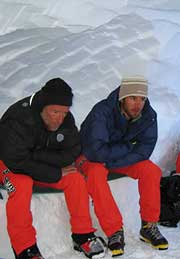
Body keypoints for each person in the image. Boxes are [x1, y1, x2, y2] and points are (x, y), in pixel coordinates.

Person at [0, 78, 106, 259]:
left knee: (75, 179)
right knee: (22, 185)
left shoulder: (65, 119)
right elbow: (16, 161)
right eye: (55, 111)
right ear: (43, 106)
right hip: (8, 164)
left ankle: (83, 235)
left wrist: (40, 157)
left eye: (64, 112)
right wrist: (55, 171)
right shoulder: (17, 118)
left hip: (39, 163)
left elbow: (73, 149)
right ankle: (25, 249)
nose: (60, 117)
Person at [77, 76, 169, 256]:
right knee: (96, 174)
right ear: (122, 97)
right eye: (133, 98)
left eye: (142, 98)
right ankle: (114, 231)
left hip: (113, 158)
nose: (138, 104)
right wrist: (128, 146)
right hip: (90, 156)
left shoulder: (148, 116)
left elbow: (144, 150)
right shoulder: (101, 112)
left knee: (151, 170)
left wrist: (113, 160)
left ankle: (149, 225)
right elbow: (96, 151)